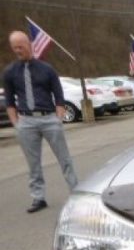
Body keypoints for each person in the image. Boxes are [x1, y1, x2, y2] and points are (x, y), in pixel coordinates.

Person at [3, 30, 78, 213]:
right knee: (33, 163)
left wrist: (58, 119)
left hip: (49, 119)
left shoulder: (47, 69)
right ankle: (38, 198)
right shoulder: (10, 72)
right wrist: (16, 124)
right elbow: (9, 101)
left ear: (29, 44)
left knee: (64, 159)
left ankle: (76, 193)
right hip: (26, 122)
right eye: (15, 48)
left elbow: (59, 96)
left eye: (21, 46)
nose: (18, 51)